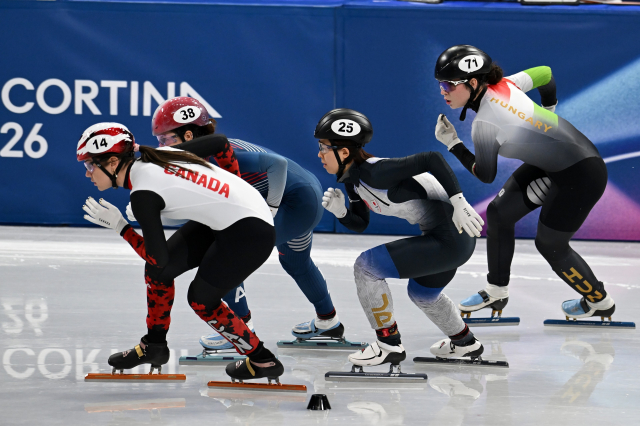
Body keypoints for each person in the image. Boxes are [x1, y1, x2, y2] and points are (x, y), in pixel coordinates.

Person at [138, 97, 351, 352]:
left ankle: (240, 329)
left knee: (228, 251)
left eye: (165, 139)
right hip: (304, 197)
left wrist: (272, 207)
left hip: (296, 202)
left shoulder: (214, 158)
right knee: (295, 262)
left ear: (188, 135)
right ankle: (328, 321)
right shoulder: (200, 157)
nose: (160, 146)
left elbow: (278, 164)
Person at [77, 122, 283, 382]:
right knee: (158, 273)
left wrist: (121, 227)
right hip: (231, 218)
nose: (87, 174)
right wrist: (236, 189)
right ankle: (154, 346)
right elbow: (219, 143)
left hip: (252, 233)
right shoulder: (162, 154)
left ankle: (263, 360)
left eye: (90, 165)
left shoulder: (143, 193)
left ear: (113, 162)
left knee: (201, 300)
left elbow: (157, 256)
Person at [433, 45, 613, 321]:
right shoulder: (506, 84)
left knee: (551, 245)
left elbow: (485, 174)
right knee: (499, 213)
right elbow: (545, 74)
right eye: (440, 85)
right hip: (555, 164)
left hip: (582, 175)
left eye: (448, 85)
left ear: (473, 83)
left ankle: (599, 301)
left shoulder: (485, 124)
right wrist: (549, 109)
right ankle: (496, 291)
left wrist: (453, 143)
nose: (443, 91)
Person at [316, 108, 486, 368]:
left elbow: (431, 158)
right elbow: (360, 223)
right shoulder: (353, 181)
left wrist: (459, 200)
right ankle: (465, 342)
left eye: (324, 147)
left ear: (345, 152)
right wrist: (341, 213)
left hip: (451, 237)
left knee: (367, 266)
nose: (319, 154)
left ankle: (388, 344)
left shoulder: (376, 172)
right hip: (449, 239)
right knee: (423, 293)